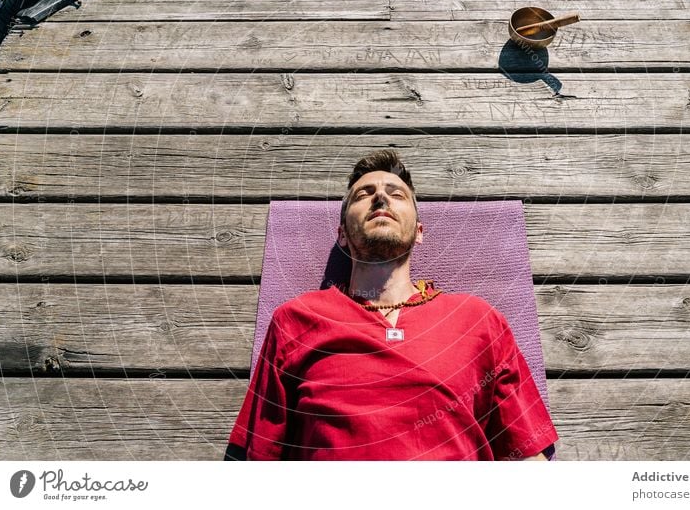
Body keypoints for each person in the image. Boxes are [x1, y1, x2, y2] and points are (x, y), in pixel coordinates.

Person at [225, 150, 558, 461]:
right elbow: (259, 457)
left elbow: (527, 457)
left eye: (396, 194)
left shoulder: (478, 320)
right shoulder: (295, 320)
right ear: (342, 234)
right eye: (364, 194)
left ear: (419, 233)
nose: (380, 197)